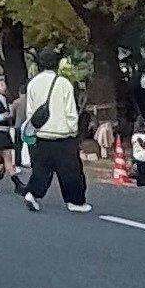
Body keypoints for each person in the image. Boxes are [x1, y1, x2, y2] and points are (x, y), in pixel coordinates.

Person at [20, 66, 89, 213]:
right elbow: (70, 111)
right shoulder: (63, 83)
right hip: (63, 135)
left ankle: (33, 193)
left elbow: (30, 112)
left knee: (41, 169)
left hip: (41, 134)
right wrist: (73, 130)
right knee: (71, 171)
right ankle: (75, 201)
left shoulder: (33, 83)